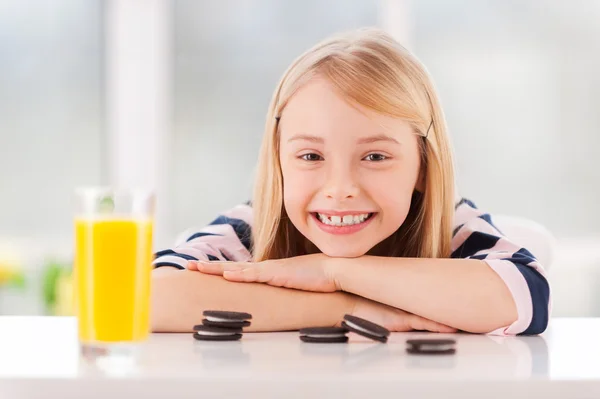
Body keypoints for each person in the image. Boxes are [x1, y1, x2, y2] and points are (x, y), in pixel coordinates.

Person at [151, 28, 550, 335]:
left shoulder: (453, 227)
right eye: (310, 157)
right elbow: (146, 295)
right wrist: (347, 307)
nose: (340, 188)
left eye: (375, 157)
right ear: (280, 164)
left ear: (424, 167)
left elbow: (524, 297)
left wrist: (331, 271)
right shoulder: (249, 229)